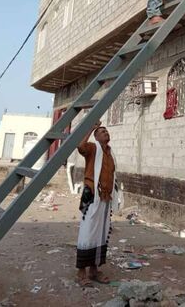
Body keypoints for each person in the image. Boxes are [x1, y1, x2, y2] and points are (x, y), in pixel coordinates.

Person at [76, 121, 118, 285]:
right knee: (87, 232)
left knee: (100, 233)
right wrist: (91, 128)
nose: (105, 133)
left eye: (106, 131)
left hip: (106, 198)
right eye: (102, 131)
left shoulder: (110, 153)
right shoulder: (93, 148)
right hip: (93, 196)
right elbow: (80, 147)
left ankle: (94, 270)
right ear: (96, 136)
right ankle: (81, 273)